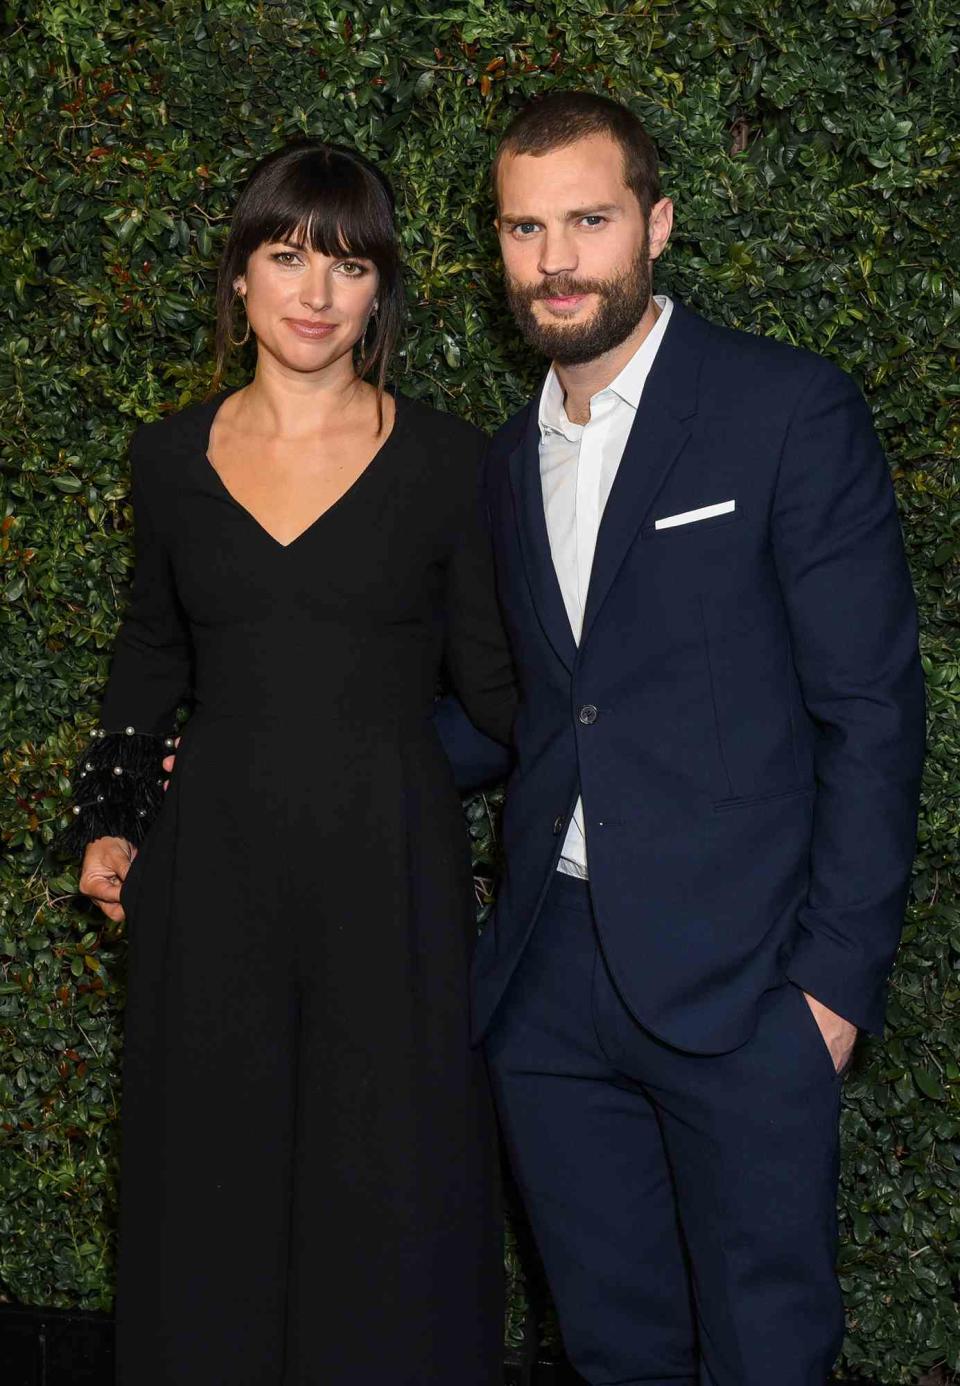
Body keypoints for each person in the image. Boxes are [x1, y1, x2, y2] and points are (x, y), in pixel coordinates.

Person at [439, 91, 926, 1385]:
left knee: (770, 1353)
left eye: (588, 221)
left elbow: (872, 707)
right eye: (525, 228)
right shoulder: (504, 462)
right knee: (612, 1348)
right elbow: (527, 711)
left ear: (656, 223)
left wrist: (830, 986)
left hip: (749, 983)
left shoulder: (783, 409)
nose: (555, 260)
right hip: (549, 985)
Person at [61, 138, 515, 1386]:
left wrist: (399, 778)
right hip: (209, 877)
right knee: (208, 1174)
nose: (316, 293)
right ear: (242, 277)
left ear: (382, 292)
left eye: (349, 264)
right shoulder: (167, 458)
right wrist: (110, 826)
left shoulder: (451, 462)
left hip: (393, 879)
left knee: (396, 1183)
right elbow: (148, 658)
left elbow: (501, 694)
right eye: (287, 255)